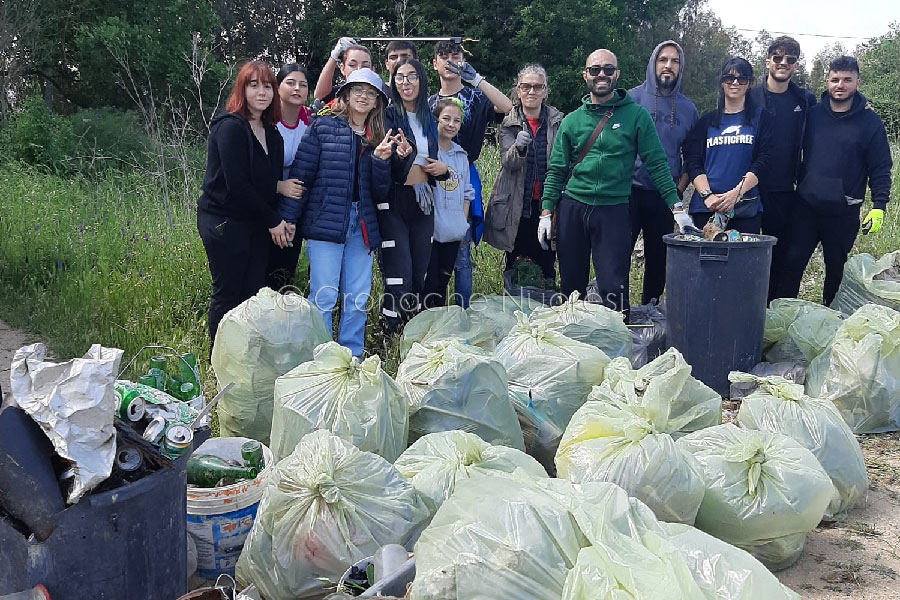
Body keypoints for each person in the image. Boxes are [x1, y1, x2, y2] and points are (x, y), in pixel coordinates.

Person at [539, 49, 688, 320]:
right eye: (595, 70)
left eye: (608, 69)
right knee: (571, 286)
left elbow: (656, 163)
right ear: (585, 75)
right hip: (574, 207)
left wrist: (676, 207)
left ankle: (617, 349)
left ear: (617, 74)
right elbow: (557, 170)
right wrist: (546, 212)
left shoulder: (637, 116)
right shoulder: (572, 120)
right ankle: (572, 342)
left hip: (614, 209)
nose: (602, 75)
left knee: (613, 288)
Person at [281, 68, 403, 358]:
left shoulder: (377, 137)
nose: (364, 96)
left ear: (377, 102)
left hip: (362, 224)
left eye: (371, 93)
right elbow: (301, 176)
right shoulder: (323, 127)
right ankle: (322, 359)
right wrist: (288, 218)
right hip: (325, 222)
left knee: (358, 298)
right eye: (358, 90)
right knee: (323, 295)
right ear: (346, 94)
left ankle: (352, 358)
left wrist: (382, 161)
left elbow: (381, 191)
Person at [777, 56, 893, 306]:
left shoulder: (870, 122)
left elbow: (881, 167)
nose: (840, 85)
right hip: (805, 206)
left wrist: (879, 206)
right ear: (827, 81)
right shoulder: (812, 115)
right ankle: (783, 318)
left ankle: (831, 322)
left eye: (847, 80)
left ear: (857, 83)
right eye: (835, 79)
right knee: (792, 262)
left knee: (835, 271)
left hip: (844, 211)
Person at [197, 60, 290, 344]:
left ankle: (244, 356)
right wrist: (274, 220)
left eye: (267, 86)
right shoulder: (230, 128)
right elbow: (237, 185)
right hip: (223, 219)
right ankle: (218, 357)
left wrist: (279, 219)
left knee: (253, 293)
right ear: (243, 89)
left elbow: (269, 185)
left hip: (255, 222)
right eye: (254, 86)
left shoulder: (273, 134)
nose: (261, 92)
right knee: (228, 293)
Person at [429, 39, 513, 307]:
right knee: (430, 247)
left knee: (462, 252)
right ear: (435, 64)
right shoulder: (429, 102)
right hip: (429, 176)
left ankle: (462, 311)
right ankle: (432, 308)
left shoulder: (476, 96)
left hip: (465, 176)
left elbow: (508, 107)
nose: (451, 61)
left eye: (456, 55)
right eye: (444, 56)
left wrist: (476, 79)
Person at [378, 58, 447, 334]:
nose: (406, 83)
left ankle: (411, 332)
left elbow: (433, 160)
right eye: (400, 77)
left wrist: (441, 172)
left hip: (424, 201)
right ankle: (389, 332)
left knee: (420, 273)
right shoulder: (389, 115)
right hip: (396, 199)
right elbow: (387, 160)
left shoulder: (429, 118)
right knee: (399, 276)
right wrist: (405, 161)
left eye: (412, 76)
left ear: (421, 80)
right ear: (393, 82)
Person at [627, 41, 699, 305]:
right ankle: (618, 314)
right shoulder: (631, 99)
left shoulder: (688, 109)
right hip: (629, 191)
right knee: (619, 256)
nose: (668, 66)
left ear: (681, 67)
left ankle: (651, 315)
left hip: (666, 196)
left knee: (659, 260)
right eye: (663, 60)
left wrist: (679, 188)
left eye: (675, 61)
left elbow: (692, 156)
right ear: (653, 63)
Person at [749, 36, 817, 301]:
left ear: (796, 66)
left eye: (790, 59)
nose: (783, 63)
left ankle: (775, 315)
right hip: (749, 189)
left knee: (781, 257)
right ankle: (746, 311)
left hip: (785, 190)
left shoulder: (805, 100)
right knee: (749, 255)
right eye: (778, 57)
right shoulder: (750, 95)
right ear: (768, 62)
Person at [483, 64, 563, 283]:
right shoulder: (508, 124)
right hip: (516, 207)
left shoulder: (559, 122)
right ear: (518, 90)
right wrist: (518, 148)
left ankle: (546, 308)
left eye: (538, 87)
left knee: (547, 264)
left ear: (545, 91)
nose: (531, 91)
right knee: (516, 265)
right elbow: (508, 164)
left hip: (547, 208)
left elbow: (562, 163)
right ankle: (515, 310)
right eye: (526, 86)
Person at [683, 57, 772, 234]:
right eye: (729, 78)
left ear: (749, 84)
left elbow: (764, 160)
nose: (735, 83)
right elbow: (693, 162)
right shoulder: (706, 122)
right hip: (706, 209)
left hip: (745, 209)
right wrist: (707, 196)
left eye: (742, 78)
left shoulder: (762, 119)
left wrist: (736, 194)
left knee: (743, 262)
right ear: (722, 82)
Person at [266, 63, 313, 292]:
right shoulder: (266, 121)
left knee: (286, 269)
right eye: (290, 83)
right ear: (277, 87)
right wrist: (277, 185)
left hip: (297, 202)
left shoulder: (310, 122)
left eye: (303, 85)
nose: (297, 89)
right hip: (267, 198)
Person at [423, 98, 474, 307]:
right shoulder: (426, 150)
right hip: (430, 230)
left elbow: (466, 193)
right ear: (436, 120)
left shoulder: (461, 155)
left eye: (457, 120)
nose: (451, 124)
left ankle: (438, 331)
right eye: (446, 119)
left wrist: (462, 224)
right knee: (428, 283)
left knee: (442, 282)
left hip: (453, 231)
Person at [313, 38, 373, 107]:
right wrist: (334, 57)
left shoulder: (380, 94)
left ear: (372, 70)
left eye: (365, 66)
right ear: (342, 69)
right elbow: (319, 95)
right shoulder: (338, 93)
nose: (358, 70)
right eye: (352, 65)